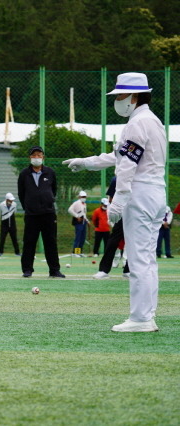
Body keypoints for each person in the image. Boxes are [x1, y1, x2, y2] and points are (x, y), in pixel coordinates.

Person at [63, 72, 166, 332]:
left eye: (120, 95)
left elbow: (127, 165)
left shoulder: (136, 123)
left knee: (139, 258)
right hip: (155, 193)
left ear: (134, 96)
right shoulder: (152, 121)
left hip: (140, 194)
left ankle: (141, 319)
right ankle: (147, 315)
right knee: (147, 259)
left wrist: (119, 199)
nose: (117, 100)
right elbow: (120, 155)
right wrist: (87, 162)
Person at [18, 146, 65, 278]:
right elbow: (21, 193)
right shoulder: (24, 174)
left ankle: (54, 270)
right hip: (31, 214)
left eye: (39, 155)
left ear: (43, 157)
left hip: (48, 213)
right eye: (34, 155)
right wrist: (28, 207)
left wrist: (48, 201)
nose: (36, 158)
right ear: (30, 157)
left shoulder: (50, 172)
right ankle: (27, 270)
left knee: (51, 241)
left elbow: (53, 190)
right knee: (29, 242)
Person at [0, 192, 20, 256]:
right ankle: (0, 252)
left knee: (14, 238)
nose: (11, 201)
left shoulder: (14, 204)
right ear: (6, 199)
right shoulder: (1, 205)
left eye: (12, 200)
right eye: (10, 200)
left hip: (12, 223)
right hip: (4, 223)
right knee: (2, 238)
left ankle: (17, 252)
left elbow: (15, 212)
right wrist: (4, 218)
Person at [68, 190, 88, 256]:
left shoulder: (84, 204)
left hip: (83, 222)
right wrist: (77, 216)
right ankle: (75, 252)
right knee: (78, 237)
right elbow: (70, 210)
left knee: (83, 238)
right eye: (82, 196)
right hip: (79, 223)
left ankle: (79, 252)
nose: (84, 198)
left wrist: (87, 221)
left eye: (85, 197)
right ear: (79, 197)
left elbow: (84, 213)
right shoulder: (76, 203)